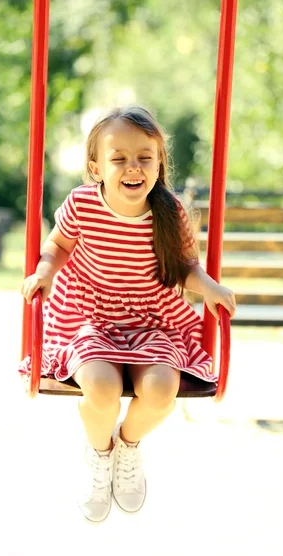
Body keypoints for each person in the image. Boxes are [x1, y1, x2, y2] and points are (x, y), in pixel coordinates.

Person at [20, 105, 236, 523]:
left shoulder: (169, 213)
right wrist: (44, 271)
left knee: (159, 392)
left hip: (153, 319)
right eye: (119, 158)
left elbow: (186, 267)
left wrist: (208, 285)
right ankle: (100, 455)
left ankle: (127, 446)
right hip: (90, 317)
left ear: (158, 164)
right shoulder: (83, 204)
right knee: (99, 387)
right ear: (96, 167)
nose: (132, 167)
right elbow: (59, 245)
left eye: (144, 157)